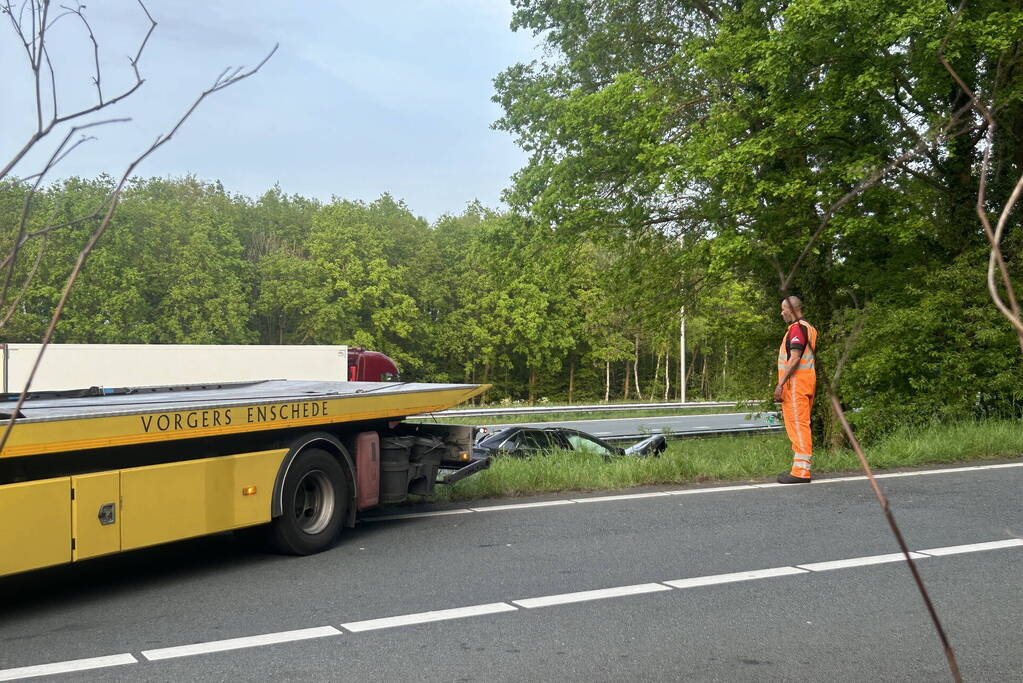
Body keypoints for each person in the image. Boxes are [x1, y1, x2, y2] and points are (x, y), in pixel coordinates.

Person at [774, 296, 818, 483]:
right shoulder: (809, 327)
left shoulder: (797, 329)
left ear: (792, 309)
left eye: (784, 309)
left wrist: (781, 383)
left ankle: (801, 472)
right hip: (806, 382)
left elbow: (794, 358)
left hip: (796, 384)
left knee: (799, 426)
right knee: (801, 424)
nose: (782, 312)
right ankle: (798, 468)